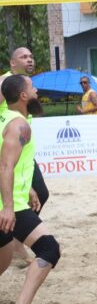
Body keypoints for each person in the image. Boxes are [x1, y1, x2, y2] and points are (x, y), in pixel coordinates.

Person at [0, 74, 61, 304]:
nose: (36, 90)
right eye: (32, 87)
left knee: (4, 254)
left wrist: (30, 188)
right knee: (49, 249)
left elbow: (12, 162)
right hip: (9, 205)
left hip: (12, 198)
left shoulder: (4, 117)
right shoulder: (19, 125)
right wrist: (7, 207)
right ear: (24, 96)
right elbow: (5, 165)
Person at [0, 47, 48, 266]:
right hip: (8, 148)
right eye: (24, 57)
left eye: (31, 56)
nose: (30, 59)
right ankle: (17, 237)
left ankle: (16, 238)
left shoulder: (27, 84)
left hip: (21, 148)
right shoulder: (5, 84)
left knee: (41, 193)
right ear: (12, 63)